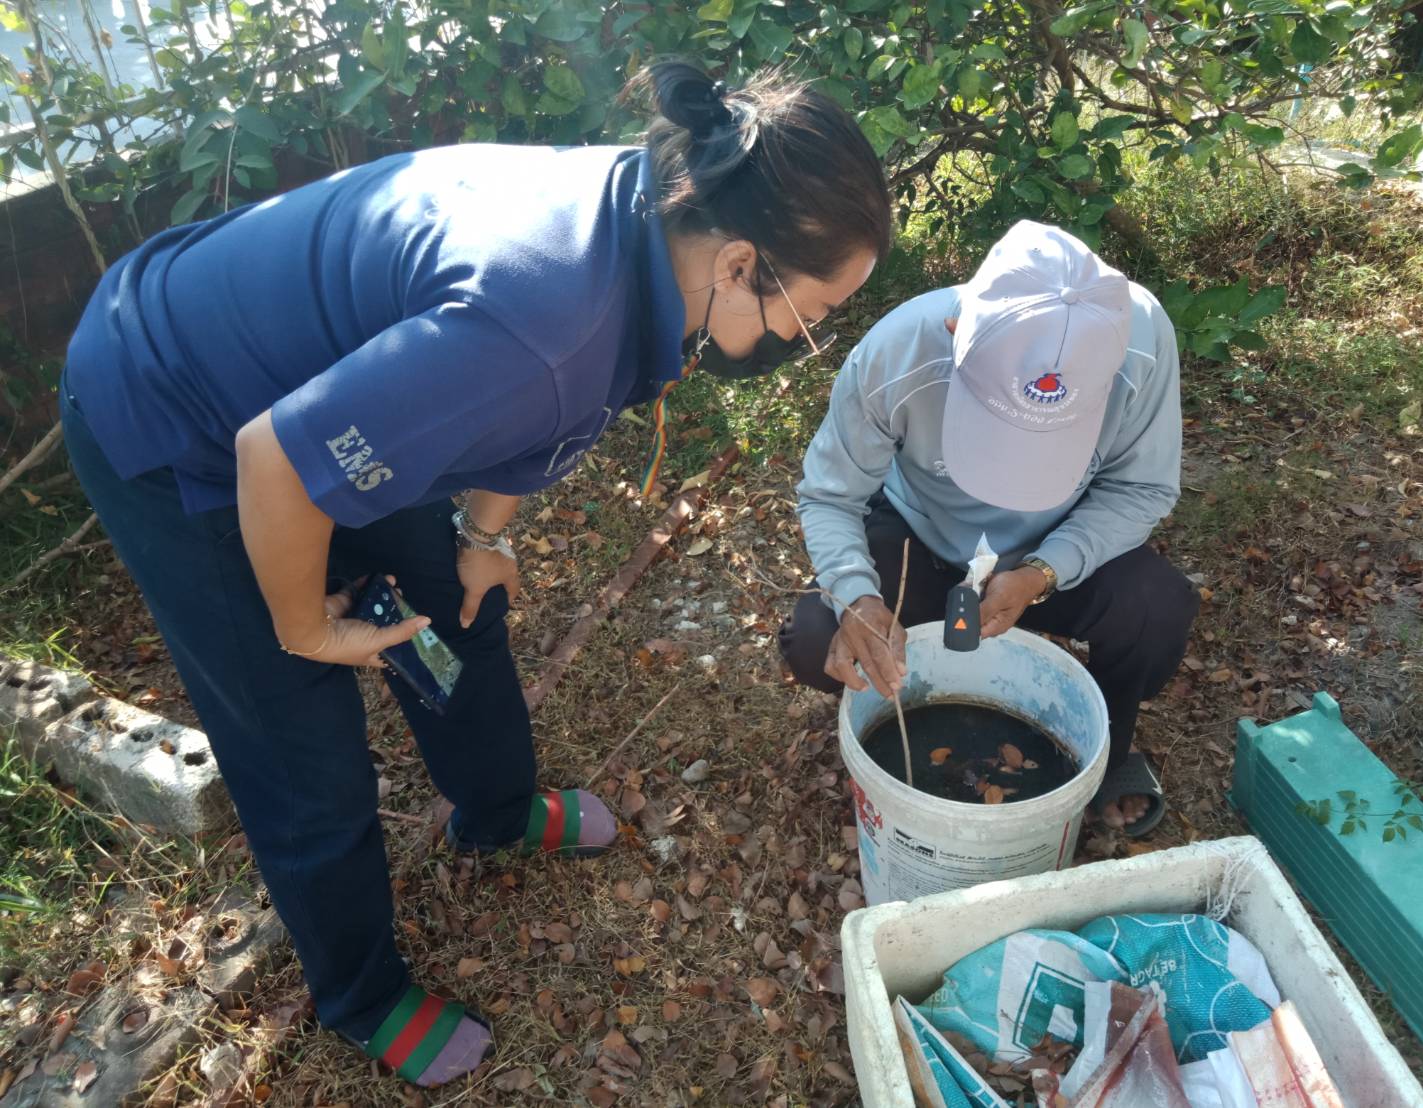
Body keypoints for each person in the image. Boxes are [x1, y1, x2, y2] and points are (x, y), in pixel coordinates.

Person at [59, 62, 890, 1086]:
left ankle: (495, 812)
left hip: (339, 385)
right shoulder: (535, 321)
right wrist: (304, 629)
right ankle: (359, 990)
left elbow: (549, 413)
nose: (802, 344)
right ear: (739, 261)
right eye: (809, 318)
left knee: (459, 604)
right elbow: (277, 459)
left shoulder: (654, 235)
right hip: (176, 408)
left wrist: (485, 535)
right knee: (302, 745)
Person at [780, 220, 1197, 838]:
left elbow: (1142, 489)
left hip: (1057, 544)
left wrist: (1045, 570)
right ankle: (900, 705)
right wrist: (857, 595)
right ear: (957, 332)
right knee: (817, 637)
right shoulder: (900, 350)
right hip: (919, 536)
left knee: (1157, 611)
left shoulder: (1141, 341)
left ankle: (1108, 746)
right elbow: (830, 493)